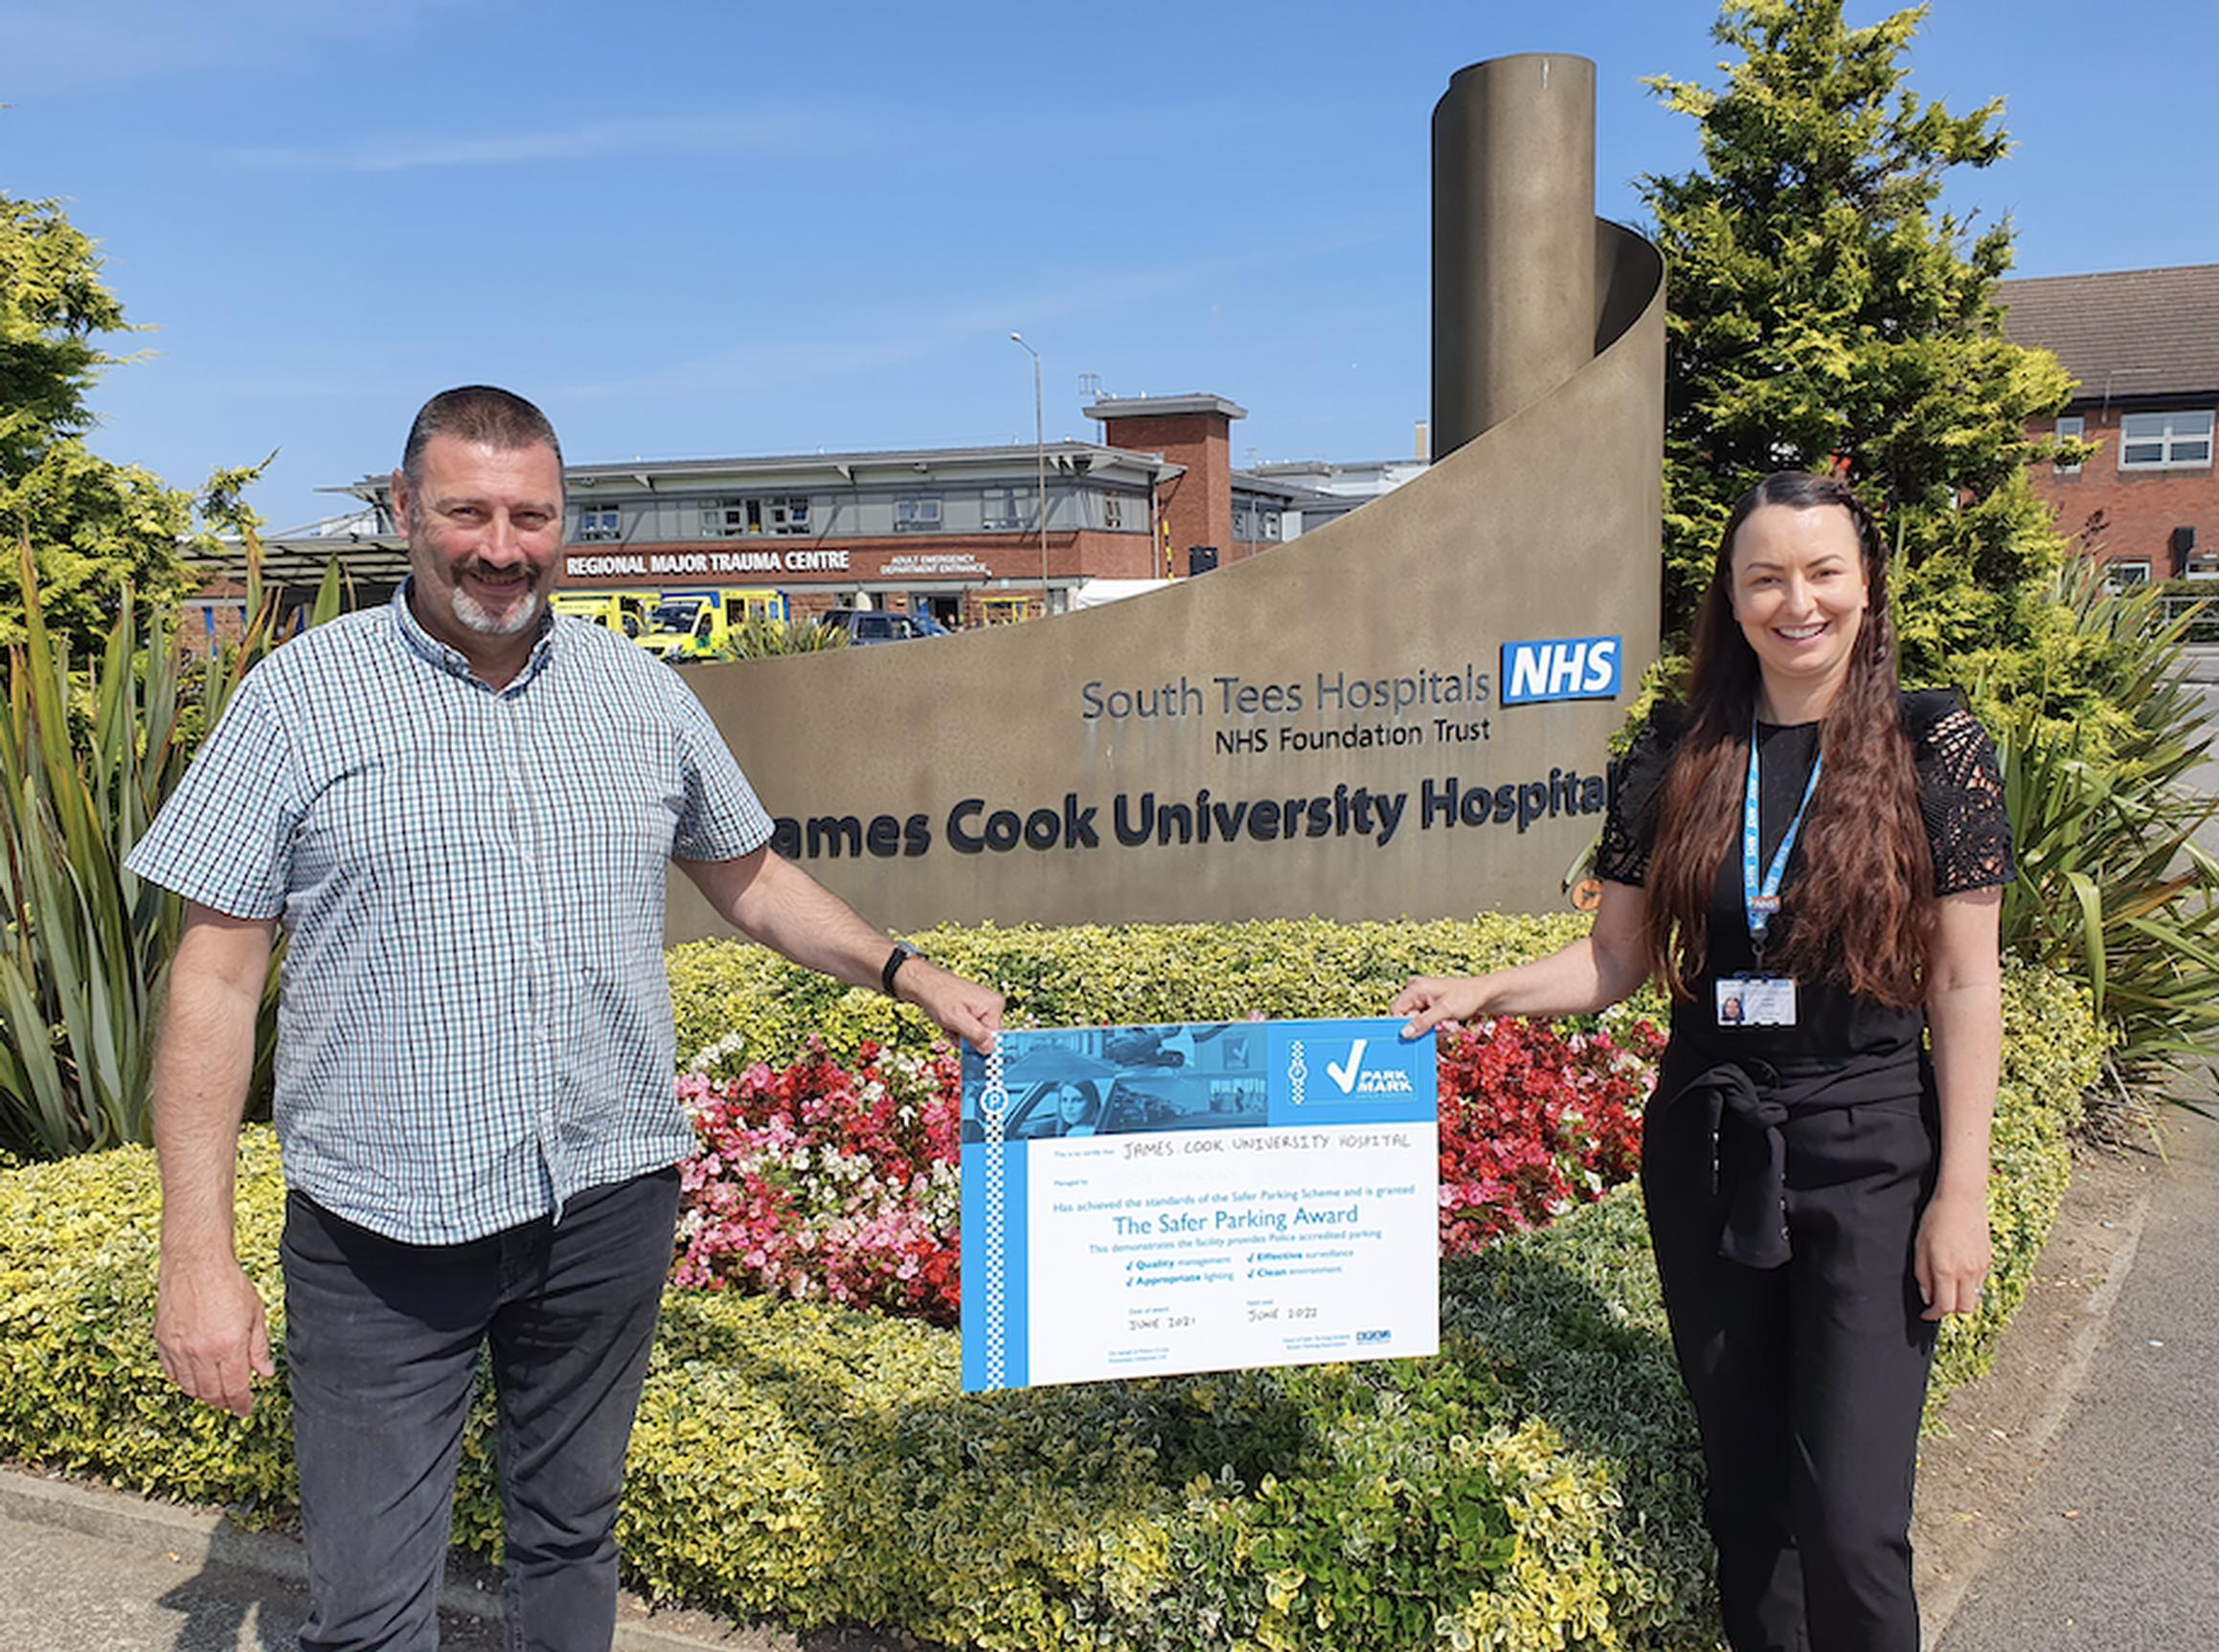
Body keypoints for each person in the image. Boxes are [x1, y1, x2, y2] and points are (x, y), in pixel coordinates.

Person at [129, 385, 1005, 1652]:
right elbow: (213, 981)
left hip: (602, 1202)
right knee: (371, 1610)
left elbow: (748, 878)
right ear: (402, 512)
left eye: (530, 515)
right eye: (467, 511)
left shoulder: (637, 693)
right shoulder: (297, 701)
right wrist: (195, 1258)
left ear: (563, 521)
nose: (501, 545)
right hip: (385, 1232)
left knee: (568, 1538)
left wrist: (906, 969)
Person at [1393, 471, 2009, 1652]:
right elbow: (1613, 959)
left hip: (1871, 1142)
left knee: (1851, 1518)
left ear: (1866, 585)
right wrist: (1479, 995)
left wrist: (1961, 1191)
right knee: (1747, 1496)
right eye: (1765, 576)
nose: (1797, 602)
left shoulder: (1934, 743)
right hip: (1712, 1140)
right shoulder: (1677, 748)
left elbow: (1963, 979)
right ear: (1729, 599)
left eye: (1823, 571)